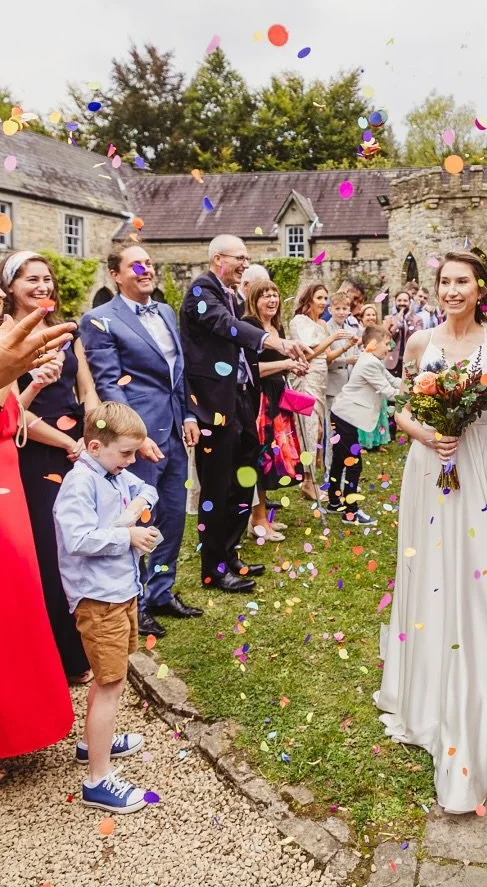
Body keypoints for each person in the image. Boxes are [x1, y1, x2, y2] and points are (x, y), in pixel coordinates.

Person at [376, 250, 487, 814]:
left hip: (481, 464)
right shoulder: (420, 343)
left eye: (462, 281)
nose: (451, 290)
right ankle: (427, 689)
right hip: (429, 468)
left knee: (482, 577)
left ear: (480, 287)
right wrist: (426, 436)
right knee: (431, 573)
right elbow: (399, 409)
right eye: (444, 281)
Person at [80, 241, 202, 638]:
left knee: (172, 514)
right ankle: (138, 601)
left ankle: (162, 591)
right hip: (137, 440)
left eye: (148, 263)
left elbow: (177, 371)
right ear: (116, 274)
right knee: (138, 519)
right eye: (136, 265)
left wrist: (187, 413)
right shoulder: (99, 320)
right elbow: (109, 382)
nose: (146, 270)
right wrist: (137, 436)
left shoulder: (166, 310)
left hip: (174, 431)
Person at [179, 235, 307, 592]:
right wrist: (275, 342)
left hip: (240, 401)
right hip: (212, 407)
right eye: (240, 258)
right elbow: (226, 326)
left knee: (243, 481)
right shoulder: (201, 293)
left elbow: (238, 348)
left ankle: (231, 553)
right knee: (216, 488)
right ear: (218, 258)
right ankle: (213, 570)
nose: (245, 264)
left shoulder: (232, 296)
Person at [53, 402, 159, 814]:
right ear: (94, 446)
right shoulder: (80, 483)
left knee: (108, 675)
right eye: (126, 454)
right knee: (112, 684)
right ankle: (97, 780)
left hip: (119, 591)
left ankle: (91, 743)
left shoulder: (111, 471)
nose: (132, 462)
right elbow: (77, 539)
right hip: (98, 599)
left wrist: (131, 511)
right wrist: (126, 536)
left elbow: (143, 489)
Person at [1, 250, 99, 681]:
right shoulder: (5, 336)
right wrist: (67, 444)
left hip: (81, 445)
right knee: (52, 549)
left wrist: (93, 435)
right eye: (30, 280)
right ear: (10, 288)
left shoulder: (65, 330)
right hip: (37, 451)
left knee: (84, 545)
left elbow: (87, 388)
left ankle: (91, 643)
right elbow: (11, 411)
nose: (42, 287)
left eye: (46, 279)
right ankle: (64, 659)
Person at [0, 289, 75, 761]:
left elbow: (8, 416)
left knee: (17, 601)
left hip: (6, 480)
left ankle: (16, 728)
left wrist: (29, 386)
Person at [243, 280, 309, 544]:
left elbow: (279, 365)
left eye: (275, 294)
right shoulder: (250, 326)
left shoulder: (276, 327)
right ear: (253, 300)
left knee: (273, 459)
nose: (271, 299)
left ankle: (261, 518)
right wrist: (286, 362)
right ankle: (257, 521)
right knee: (260, 459)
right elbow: (250, 369)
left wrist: (292, 367)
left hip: (277, 399)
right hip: (258, 402)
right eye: (265, 295)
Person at [287, 283, 356, 502]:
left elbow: (326, 357)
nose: (323, 302)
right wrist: (333, 339)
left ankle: (310, 479)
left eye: (325, 298)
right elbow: (307, 355)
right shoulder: (299, 322)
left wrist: (346, 346)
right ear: (308, 299)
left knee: (318, 432)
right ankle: (308, 482)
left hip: (320, 381)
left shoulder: (321, 325)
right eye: (319, 297)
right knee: (309, 430)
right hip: (305, 380)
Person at [327, 324, 398, 524]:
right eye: (386, 343)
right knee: (353, 463)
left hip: (343, 414)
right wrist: (416, 396)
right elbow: (389, 391)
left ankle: (334, 501)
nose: (389, 348)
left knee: (341, 459)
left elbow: (392, 382)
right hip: (345, 417)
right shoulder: (369, 363)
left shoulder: (373, 360)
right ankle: (350, 512)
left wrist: (413, 384)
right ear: (373, 344)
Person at [324, 290, 362, 467]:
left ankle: (347, 474)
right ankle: (330, 474)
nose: (341, 311)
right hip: (332, 388)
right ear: (330, 310)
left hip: (348, 389)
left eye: (344, 308)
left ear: (349, 310)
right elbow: (326, 359)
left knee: (348, 433)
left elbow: (356, 355)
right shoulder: (325, 329)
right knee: (333, 434)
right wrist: (345, 360)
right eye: (337, 308)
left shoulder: (351, 330)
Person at [387, 289, 419, 377]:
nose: (402, 303)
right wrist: (398, 321)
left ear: (410, 303)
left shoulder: (417, 320)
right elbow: (389, 335)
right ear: (395, 302)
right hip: (393, 361)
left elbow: (416, 337)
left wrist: (408, 317)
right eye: (399, 300)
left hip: (411, 362)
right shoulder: (389, 319)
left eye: (405, 301)